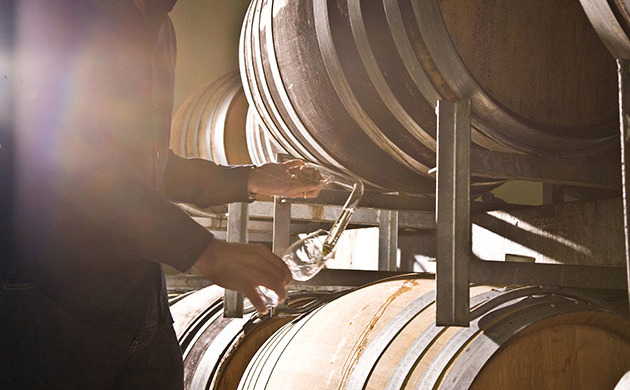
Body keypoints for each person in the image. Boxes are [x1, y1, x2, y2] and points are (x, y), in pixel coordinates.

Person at [1, 0, 322, 389]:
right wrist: (205, 250)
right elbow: (71, 160)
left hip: (137, 296)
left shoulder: (158, 24)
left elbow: (149, 165)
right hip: (53, 300)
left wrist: (247, 179)